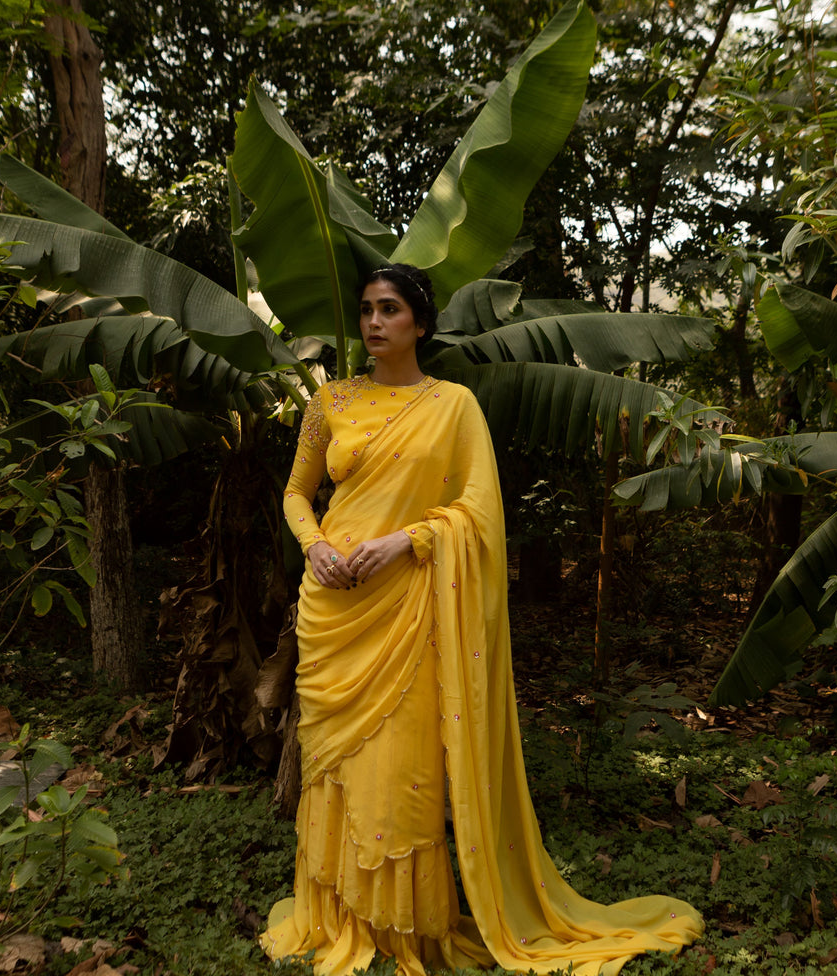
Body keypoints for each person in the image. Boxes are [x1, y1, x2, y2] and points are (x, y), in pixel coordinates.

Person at [261, 264, 703, 976]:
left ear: (421, 324)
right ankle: (339, 914)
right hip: (334, 610)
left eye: (391, 310)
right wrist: (313, 548)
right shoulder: (330, 401)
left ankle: (407, 929)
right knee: (336, 771)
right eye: (368, 310)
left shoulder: (455, 404)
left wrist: (410, 538)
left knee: (402, 771)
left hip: (412, 607)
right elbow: (294, 492)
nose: (374, 323)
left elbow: (479, 512)